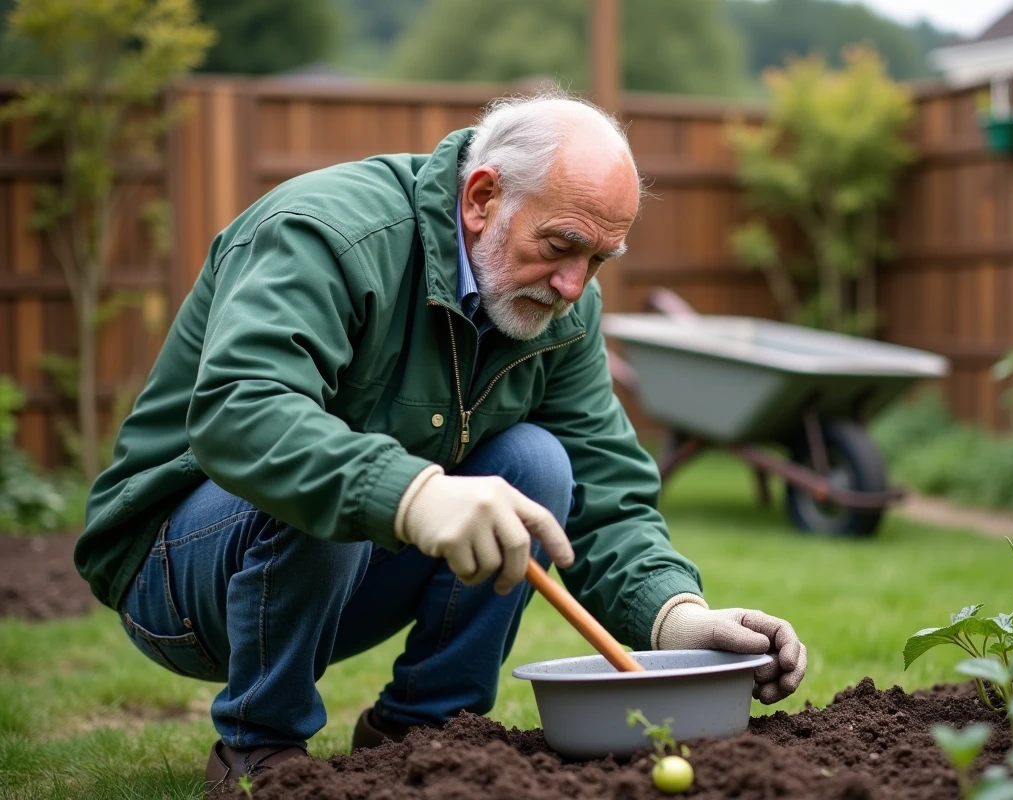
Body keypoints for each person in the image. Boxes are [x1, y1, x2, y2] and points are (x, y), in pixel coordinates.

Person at [74, 91, 807, 786]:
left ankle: (425, 739)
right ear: (482, 199)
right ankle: (260, 749)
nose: (573, 287)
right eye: (562, 246)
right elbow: (245, 412)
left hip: (340, 579)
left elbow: (603, 492)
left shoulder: (558, 309)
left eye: (598, 261)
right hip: (175, 579)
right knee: (336, 466)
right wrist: (413, 492)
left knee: (536, 463)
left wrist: (679, 618)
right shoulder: (327, 233)